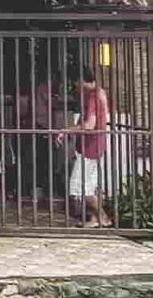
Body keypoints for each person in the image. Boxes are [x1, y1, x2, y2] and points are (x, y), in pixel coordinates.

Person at [58, 71, 112, 228]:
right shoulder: (100, 93)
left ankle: (103, 217)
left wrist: (67, 130)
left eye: (75, 82)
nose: (75, 86)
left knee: (80, 188)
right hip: (96, 145)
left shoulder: (93, 97)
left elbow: (89, 125)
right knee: (88, 186)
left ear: (82, 80)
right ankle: (95, 218)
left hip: (90, 148)